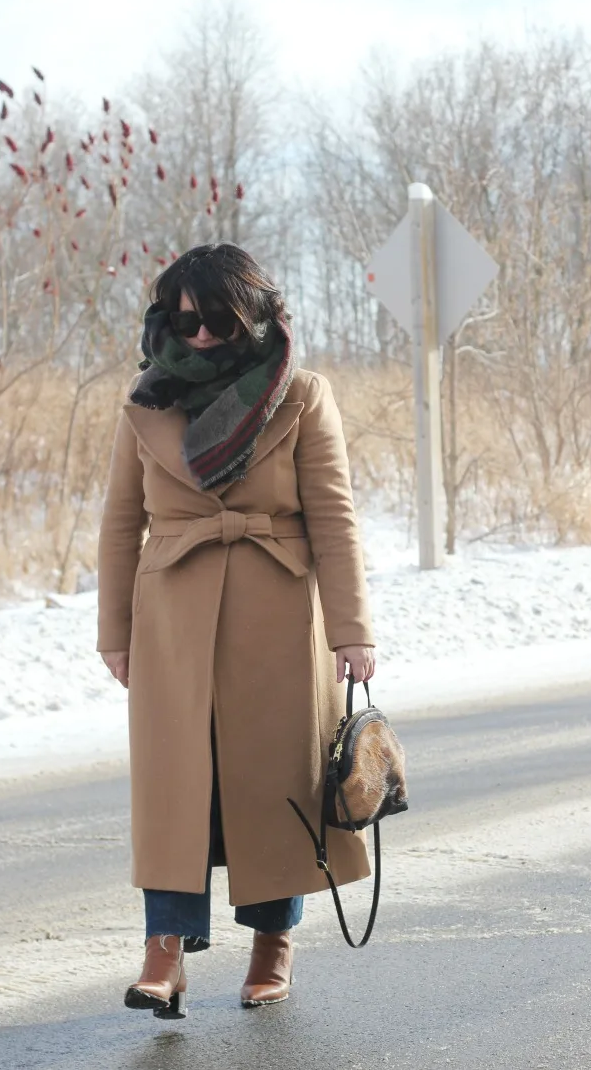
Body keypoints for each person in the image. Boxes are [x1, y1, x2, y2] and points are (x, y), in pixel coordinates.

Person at [96, 242, 375, 1019]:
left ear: (251, 314)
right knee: (174, 791)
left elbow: (334, 516)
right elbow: (121, 523)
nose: (203, 334)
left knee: (271, 785)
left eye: (219, 318)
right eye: (186, 319)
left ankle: (271, 946)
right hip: (172, 619)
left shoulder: (303, 395)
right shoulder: (147, 399)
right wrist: (113, 630)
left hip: (278, 610)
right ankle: (164, 952)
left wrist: (353, 629)